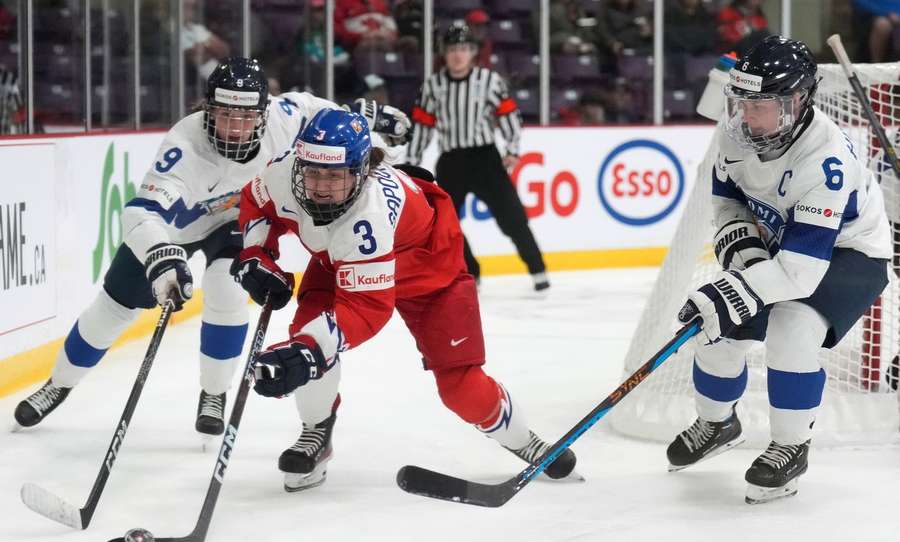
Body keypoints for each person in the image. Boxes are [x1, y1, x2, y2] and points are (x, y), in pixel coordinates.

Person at [13, 57, 412, 435]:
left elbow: (315, 111)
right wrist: (160, 256)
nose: (235, 128)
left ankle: (214, 394)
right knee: (114, 307)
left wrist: (363, 114)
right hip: (176, 232)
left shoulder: (283, 117)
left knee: (226, 288)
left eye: (245, 117)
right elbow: (139, 213)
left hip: (239, 221)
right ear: (208, 110)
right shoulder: (185, 144)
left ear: (263, 112)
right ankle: (59, 383)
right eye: (224, 115)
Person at [232, 108, 577, 491]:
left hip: (429, 273)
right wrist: (256, 254)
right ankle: (317, 433)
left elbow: (366, 308)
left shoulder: (370, 214)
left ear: (361, 171)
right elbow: (256, 201)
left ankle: (524, 441)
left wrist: (310, 354)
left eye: (334, 175)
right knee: (306, 334)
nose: (320, 186)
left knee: (461, 387)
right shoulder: (285, 171)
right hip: (344, 260)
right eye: (312, 172)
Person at [667, 37, 891, 504]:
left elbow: (802, 274)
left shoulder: (824, 160)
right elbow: (727, 203)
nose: (746, 116)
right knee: (715, 331)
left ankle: (791, 445)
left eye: (761, 105)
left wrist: (736, 290)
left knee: (792, 325)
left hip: (850, 253)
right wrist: (745, 266)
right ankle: (717, 422)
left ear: (796, 102)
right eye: (741, 102)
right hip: (782, 244)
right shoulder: (738, 130)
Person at [407, 24, 550, 292]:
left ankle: (538, 269)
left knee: (513, 218)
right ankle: (471, 272)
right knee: (445, 225)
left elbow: (508, 115)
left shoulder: (488, 81)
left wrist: (512, 150)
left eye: (463, 49)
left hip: (485, 159)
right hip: (451, 160)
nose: (457, 55)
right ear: (444, 54)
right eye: (452, 50)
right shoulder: (433, 86)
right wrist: (412, 163)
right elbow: (423, 126)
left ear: (473, 52)